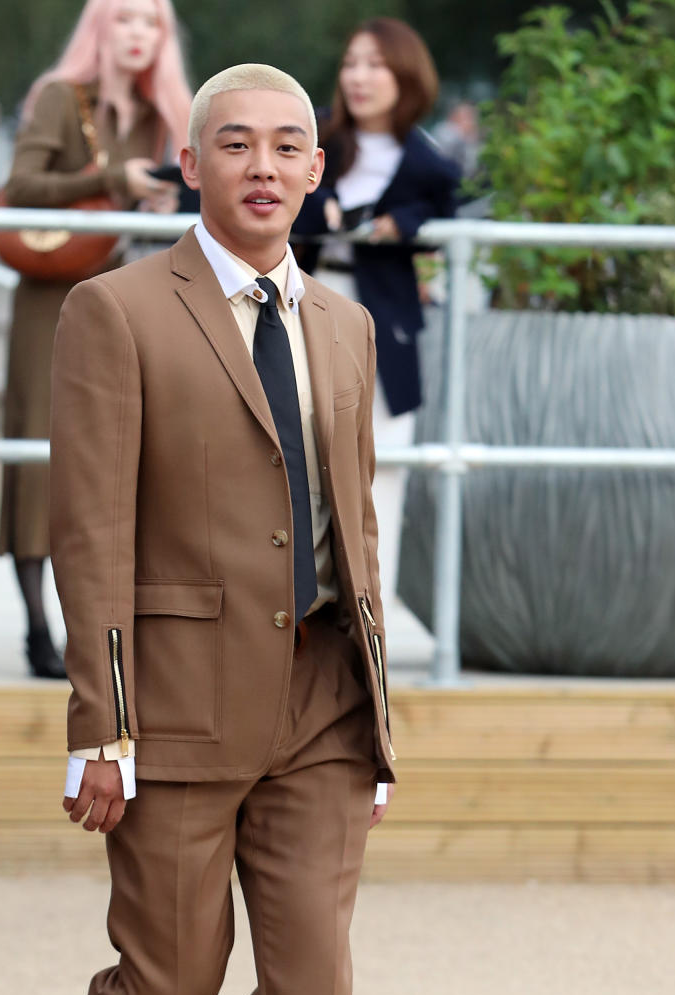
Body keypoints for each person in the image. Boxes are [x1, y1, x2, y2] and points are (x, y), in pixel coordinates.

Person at [0, 61, 395, 995]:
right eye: (236, 145)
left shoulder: (343, 326)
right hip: (169, 711)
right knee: (170, 983)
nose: (265, 166)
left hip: (324, 709)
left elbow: (356, 526)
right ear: (195, 164)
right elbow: (89, 531)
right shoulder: (116, 314)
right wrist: (100, 717)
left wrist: (378, 709)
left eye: (289, 146)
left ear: (316, 171)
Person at [0, 0, 192, 678]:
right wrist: (114, 180)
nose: (139, 34)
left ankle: (105, 630)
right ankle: (36, 630)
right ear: (101, 27)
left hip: (122, 298)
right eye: (127, 18)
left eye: (152, 23)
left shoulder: (164, 114)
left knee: (118, 456)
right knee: (39, 456)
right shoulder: (61, 96)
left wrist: (155, 200)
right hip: (50, 298)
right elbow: (19, 186)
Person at [294, 18, 460, 653]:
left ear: (406, 76)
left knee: (380, 468)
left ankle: (371, 626)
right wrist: (325, 204)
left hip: (382, 328)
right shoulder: (312, 137)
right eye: (352, 63)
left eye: (376, 65)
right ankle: (299, 617)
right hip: (305, 305)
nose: (359, 77)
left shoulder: (427, 163)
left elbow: (449, 211)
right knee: (294, 461)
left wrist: (405, 222)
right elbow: (272, 195)